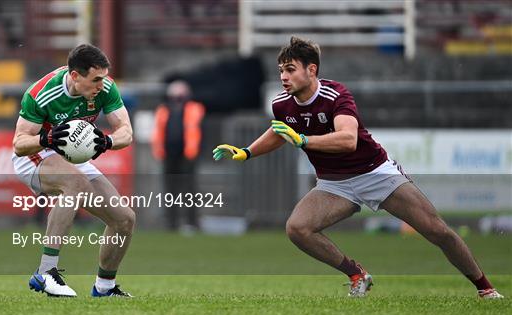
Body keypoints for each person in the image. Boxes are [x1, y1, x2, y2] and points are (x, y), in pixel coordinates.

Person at [213, 36, 503, 299]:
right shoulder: (282, 105)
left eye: (290, 69)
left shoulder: (336, 95)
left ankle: (485, 288)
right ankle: (357, 275)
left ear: (311, 70)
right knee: (298, 228)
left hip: (376, 173)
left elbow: (348, 140)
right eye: (281, 70)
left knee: (438, 231)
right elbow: (279, 130)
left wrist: (303, 139)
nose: (283, 77)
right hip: (334, 184)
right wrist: (246, 152)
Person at [12, 44, 134, 297]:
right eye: (96, 79)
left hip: (71, 158)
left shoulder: (106, 88)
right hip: (38, 154)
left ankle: (105, 288)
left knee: (124, 219)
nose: (102, 85)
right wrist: (46, 138)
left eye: (104, 77)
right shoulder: (41, 93)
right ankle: (46, 272)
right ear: (75, 76)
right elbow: (19, 144)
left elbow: (126, 131)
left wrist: (108, 141)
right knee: (74, 183)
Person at [151, 80, 206, 232]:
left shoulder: (194, 108)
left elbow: (195, 129)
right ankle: (171, 222)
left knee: (189, 189)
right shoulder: (163, 110)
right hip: (169, 154)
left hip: (187, 154)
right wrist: (159, 150)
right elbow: (158, 132)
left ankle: (192, 222)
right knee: (170, 190)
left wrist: (192, 151)